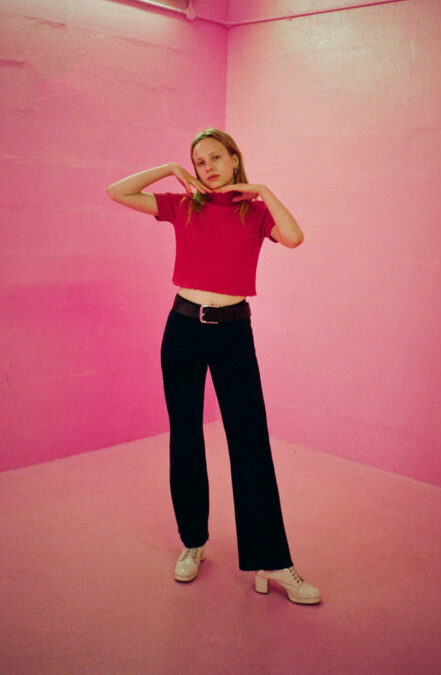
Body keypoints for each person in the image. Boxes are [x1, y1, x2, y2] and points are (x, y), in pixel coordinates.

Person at [106, 128, 321, 605]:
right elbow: (117, 191)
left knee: (250, 442)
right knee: (185, 436)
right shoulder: (185, 205)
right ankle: (193, 542)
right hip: (183, 330)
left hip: (233, 333)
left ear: (233, 159)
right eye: (199, 162)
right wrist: (170, 169)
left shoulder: (255, 211)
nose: (208, 168)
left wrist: (261, 189)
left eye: (216, 158)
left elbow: (294, 237)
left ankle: (272, 561)